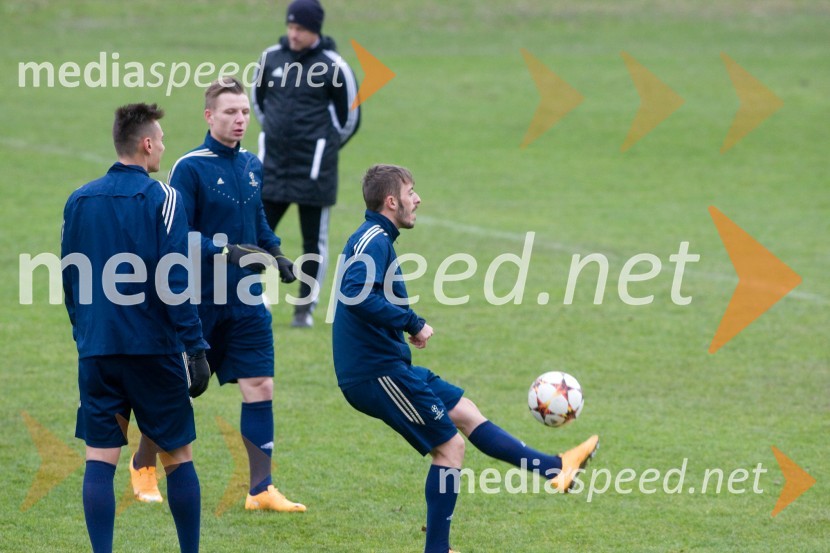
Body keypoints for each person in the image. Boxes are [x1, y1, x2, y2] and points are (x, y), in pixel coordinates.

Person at [332, 164, 600, 553]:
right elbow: (356, 293)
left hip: (389, 366)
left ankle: (556, 468)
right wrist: (411, 322)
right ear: (391, 201)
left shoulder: (377, 237)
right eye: (411, 192)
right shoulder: (373, 239)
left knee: (465, 411)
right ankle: (437, 549)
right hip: (375, 373)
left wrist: (401, 327)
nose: (417, 198)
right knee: (449, 448)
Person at [129, 77, 307, 513]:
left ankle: (261, 489)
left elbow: (258, 218)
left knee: (260, 385)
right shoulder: (190, 167)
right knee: (179, 388)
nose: (240, 119)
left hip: (246, 299)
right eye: (230, 112)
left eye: (245, 111)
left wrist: (276, 252)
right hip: (198, 298)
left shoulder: (251, 164)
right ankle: (143, 463)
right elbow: (177, 236)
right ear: (210, 116)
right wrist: (224, 250)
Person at [62, 103, 210, 553]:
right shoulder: (164, 198)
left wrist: (85, 334)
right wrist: (195, 347)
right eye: (161, 140)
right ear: (147, 144)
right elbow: (174, 277)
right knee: (178, 458)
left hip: (99, 349)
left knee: (100, 459)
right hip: (152, 351)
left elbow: (71, 276)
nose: (163, 147)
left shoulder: (79, 199)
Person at [252, 0, 361, 328]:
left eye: (300, 28)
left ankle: (304, 309)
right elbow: (258, 104)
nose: (293, 33)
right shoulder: (270, 58)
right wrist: (273, 136)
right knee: (257, 236)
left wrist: (322, 150)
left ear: (315, 30)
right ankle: (255, 299)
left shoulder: (334, 66)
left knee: (314, 242)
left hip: (315, 173)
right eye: (291, 26)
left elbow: (350, 119)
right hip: (272, 168)